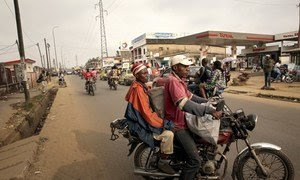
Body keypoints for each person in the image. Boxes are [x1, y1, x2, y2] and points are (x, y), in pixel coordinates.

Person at [164, 55, 222, 180]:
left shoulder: (179, 80)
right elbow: (183, 104)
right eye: (184, 66)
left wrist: (208, 101)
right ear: (175, 67)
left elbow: (191, 97)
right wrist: (209, 110)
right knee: (195, 161)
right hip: (177, 125)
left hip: (183, 121)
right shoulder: (173, 81)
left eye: (188, 66)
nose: (188, 68)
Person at [125, 63, 175, 174]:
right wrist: (164, 123)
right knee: (169, 134)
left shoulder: (140, 86)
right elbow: (146, 114)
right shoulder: (137, 90)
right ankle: (162, 162)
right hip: (140, 125)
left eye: (146, 73)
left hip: (142, 120)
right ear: (136, 75)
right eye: (143, 73)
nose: (146, 75)